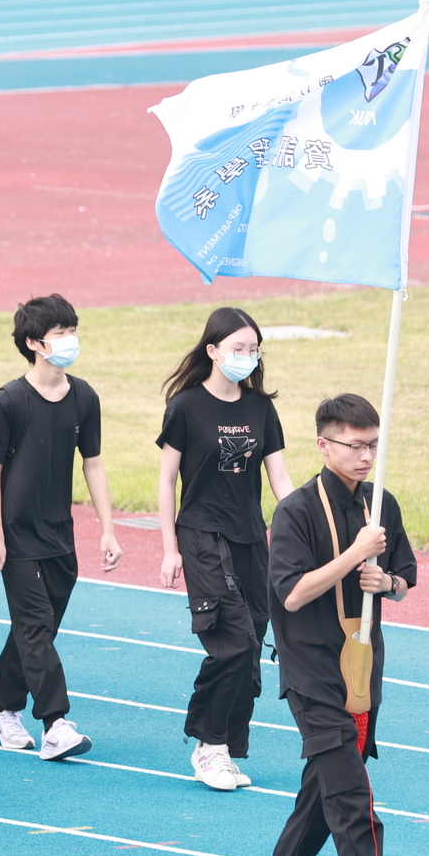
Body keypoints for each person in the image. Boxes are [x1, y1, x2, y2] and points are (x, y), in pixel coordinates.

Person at [230, 393, 429, 856]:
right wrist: (352, 557)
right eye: (354, 444)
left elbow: (404, 578)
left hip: (361, 671)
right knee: (352, 805)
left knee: (319, 803)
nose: (366, 455)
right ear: (323, 444)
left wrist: (385, 577)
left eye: (373, 444)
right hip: (313, 675)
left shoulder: (380, 502)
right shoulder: (294, 512)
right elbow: (290, 593)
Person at [0, 293, 118, 762]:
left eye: (72, 331)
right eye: (60, 334)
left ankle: (0, 708)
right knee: (35, 626)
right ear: (35, 343)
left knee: (38, 628)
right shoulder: (11, 399)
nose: (70, 340)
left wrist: (108, 530)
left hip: (59, 533)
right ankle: (56, 722)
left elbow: (92, 465)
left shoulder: (85, 396)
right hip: (17, 535)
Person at [157, 307, 294, 792]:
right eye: (238, 348)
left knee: (252, 645)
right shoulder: (187, 407)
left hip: (250, 538)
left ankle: (231, 748)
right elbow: (168, 479)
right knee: (231, 640)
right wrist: (170, 547)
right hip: (200, 534)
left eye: (254, 349)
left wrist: (304, 524)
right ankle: (208, 746)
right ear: (213, 350)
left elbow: (278, 477)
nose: (247, 357)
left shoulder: (261, 408)